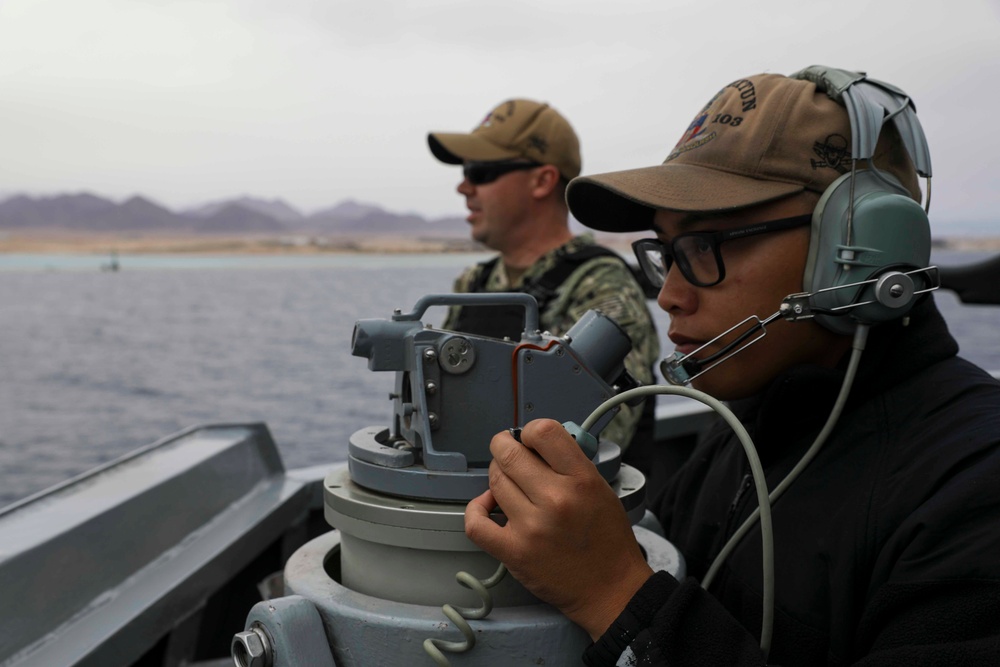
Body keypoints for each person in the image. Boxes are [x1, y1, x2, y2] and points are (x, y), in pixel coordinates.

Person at [464, 68, 1000, 665]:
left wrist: (616, 596)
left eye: (704, 245)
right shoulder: (738, 429)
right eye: (665, 252)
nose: (668, 294)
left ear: (854, 253)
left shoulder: (975, 486)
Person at [427, 98, 661, 455]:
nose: (464, 188)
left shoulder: (600, 288)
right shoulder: (473, 283)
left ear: (542, 181)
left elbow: (591, 450)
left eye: (479, 172)